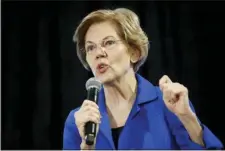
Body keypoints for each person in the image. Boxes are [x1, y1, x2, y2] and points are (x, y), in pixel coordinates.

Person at [63, 8, 223, 150]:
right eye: (91, 47)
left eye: (109, 42)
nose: (98, 53)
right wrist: (87, 147)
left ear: (134, 52)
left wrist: (188, 118)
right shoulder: (78, 120)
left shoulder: (168, 103)